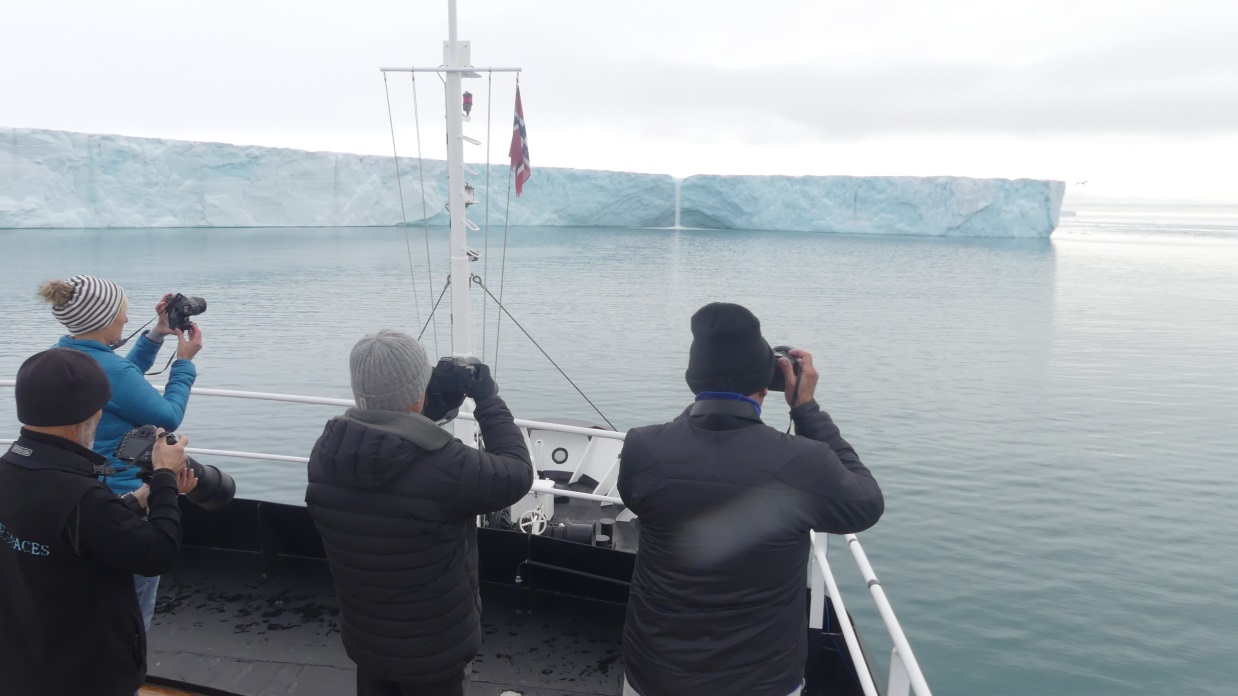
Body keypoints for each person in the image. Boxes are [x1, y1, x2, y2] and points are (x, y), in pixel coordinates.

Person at [617, 302, 886, 696]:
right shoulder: (804, 462)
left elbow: (671, 466)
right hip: (762, 682)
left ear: (693, 380)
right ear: (767, 386)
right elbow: (866, 503)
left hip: (655, 676)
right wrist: (806, 410)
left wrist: (712, 397)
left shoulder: (643, 448)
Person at [305, 329, 534, 696]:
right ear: (419, 393)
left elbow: (387, 444)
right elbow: (518, 473)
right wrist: (488, 400)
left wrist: (416, 413)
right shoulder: (447, 466)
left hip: (369, 642)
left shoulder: (327, 455)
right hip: (436, 653)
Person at [0, 348, 194, 696]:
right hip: (88, 673)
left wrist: (147, 494)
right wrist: (165, 475)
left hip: (24, 660)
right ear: (82, 417)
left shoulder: (10, 470)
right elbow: (157, 553)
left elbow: (76, 528)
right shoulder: (81, 495)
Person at [39, 275, 203, 630]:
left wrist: (157, 334)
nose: (127, 320)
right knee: (133, 608)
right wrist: (184, 365)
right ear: (103, 319)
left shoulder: (62, 355)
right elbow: (167, 417)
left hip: (76, 495)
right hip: (124, 499)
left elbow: (119, 380)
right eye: (122, 313)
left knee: (90, 600)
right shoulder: (111, 369)